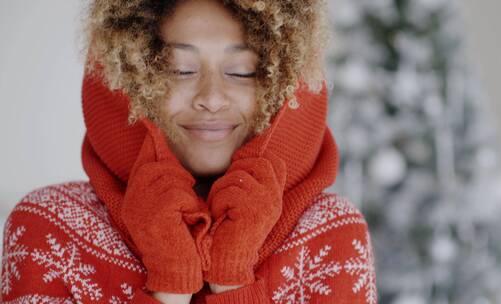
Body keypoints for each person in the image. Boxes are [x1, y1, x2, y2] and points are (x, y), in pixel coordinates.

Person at [1, 0, 377, 303]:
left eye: (243, 71)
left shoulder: (329, 234)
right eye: (179, 70)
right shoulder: (48, 226)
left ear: (282, 84)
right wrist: (167, 286)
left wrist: (234, 283)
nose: (211, 98)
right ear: (126, 78)